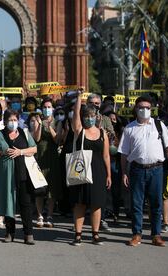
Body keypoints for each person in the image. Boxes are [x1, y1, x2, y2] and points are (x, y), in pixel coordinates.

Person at [118, 95, 168, 247]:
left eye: (148, 108)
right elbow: (124, 154)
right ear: (135, 109)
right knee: (137, 204)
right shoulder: (129, 128)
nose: (144, 110)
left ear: (152, 109)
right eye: (141, 107)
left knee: (156, 204)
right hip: (137, 170)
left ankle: (156, 235)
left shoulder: (158, 125)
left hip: (156, 170)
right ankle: (137, 234)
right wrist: (124, 172)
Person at [0, 109, 38, 245]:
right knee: (8, 202)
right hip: (6, 175)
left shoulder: (24, 133)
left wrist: (21, 151)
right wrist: (2, 152)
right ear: (5, 121)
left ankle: (28, 233)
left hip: (23, 173)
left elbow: (34, 149)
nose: (13, 123)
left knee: (25, 204)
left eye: (15, 120)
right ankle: (9, 232)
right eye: (10, 120)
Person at [70, 91, 111, 246]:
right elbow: (75, 117)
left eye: (92, 116)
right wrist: (79, 98)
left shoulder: (102, 133)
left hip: (99, 171)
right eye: (86, 116)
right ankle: (78, 234)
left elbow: (106, 156)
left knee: (96, 204)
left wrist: (109, 175)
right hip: (81, 169)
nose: (89, 118)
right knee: (80, 203)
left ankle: (95, 234)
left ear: (96, 117)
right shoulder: (79, 131)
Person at [29, 98, 63, 228]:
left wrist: (49, 126)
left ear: (53, 108)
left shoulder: (57, 122)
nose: (47, 109)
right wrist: (39, 124)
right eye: (45, 106)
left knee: (52, 188)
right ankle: (40, 215)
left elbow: (57, 140)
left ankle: (49, 214)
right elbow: (36, 138)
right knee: (39, 187)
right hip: (40, 156)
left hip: (53, 156)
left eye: (49, 106)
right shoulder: (39, 120)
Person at [87, 93, 114, 232]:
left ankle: (101, 219)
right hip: (84, 161)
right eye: (91, 103)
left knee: (100, 193)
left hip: (100, 158)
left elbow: (112, 135)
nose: (94, 105)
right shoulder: (82, 119)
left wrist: (100, 128)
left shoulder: (105, 119)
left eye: (97, 103)